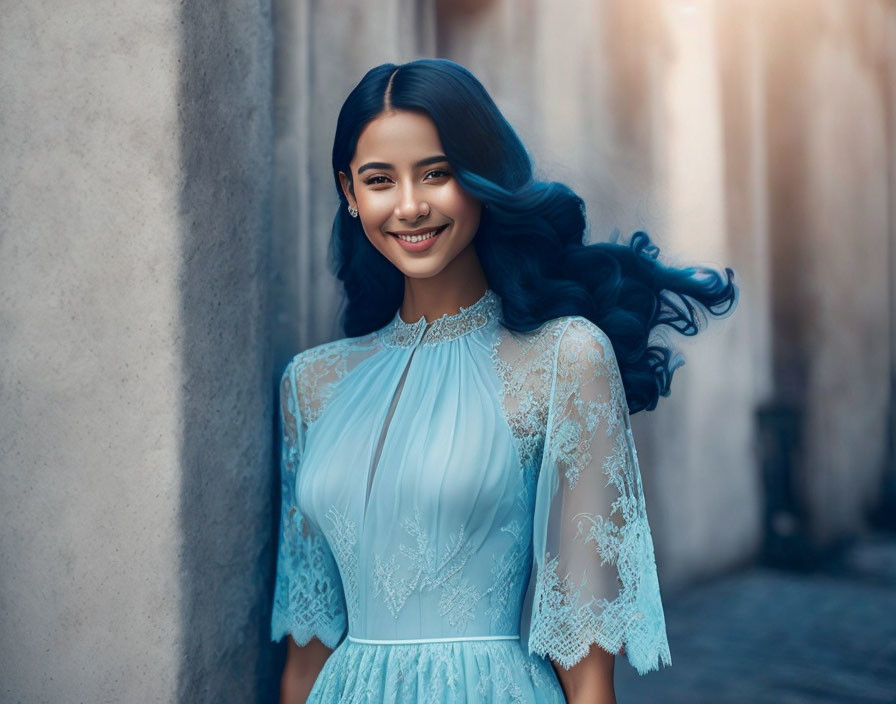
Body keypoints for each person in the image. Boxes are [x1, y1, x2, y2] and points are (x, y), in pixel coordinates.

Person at [271, 58, 737, 703]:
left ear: (480, 179)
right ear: (349, 193)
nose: (410, 206)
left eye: (436, 174)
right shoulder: (311, 385)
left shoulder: (564, 359)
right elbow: (309, 647)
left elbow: (586, 655)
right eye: (380, 180)